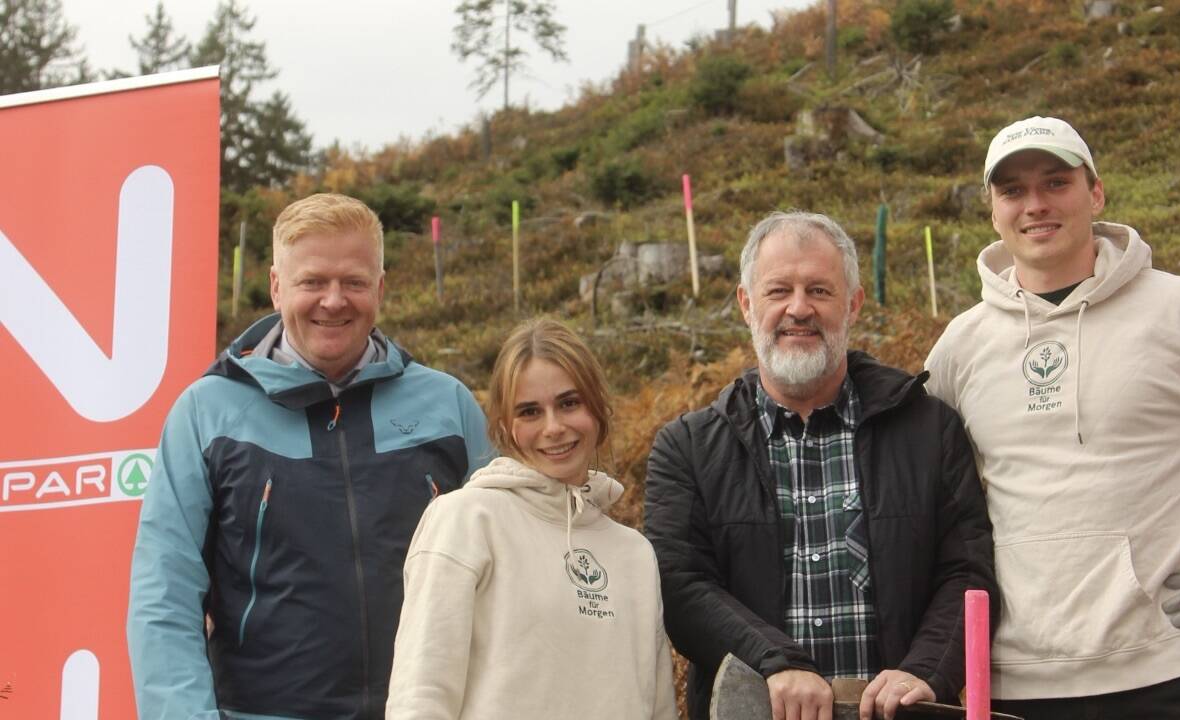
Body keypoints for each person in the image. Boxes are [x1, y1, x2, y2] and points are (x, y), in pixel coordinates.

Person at [925, 116, 1180, 719]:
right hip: (1014, 687)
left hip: (1170, 677)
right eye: (1013, 190)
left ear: (1095, 193)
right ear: (992, 210)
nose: (1035, 204)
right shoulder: (962, 345)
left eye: (1055, 182)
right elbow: (907, 496)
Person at [127, 193, 492, 719]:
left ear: (381, 288)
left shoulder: (448, 406)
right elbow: (163, 593)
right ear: (277, 286)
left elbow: (505, 569)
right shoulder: (206, 413)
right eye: (313, 281)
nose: (334, 300)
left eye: (354, 282)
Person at [644, 211, 999, 720]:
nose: (798, 308)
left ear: (852, 303)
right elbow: (680, 585)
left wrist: (924, 672)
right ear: (747, 304)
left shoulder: (929, 431)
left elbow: (967, 571)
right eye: (778, 291)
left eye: (819, 290)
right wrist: (775, 662)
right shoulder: (687, 448)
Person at [386, 318, 678, 720]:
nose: (554, 428)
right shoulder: (465, 520)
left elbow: (658, 706)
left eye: (569, 403)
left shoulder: (635, 554)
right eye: (530, 412)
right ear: (505, 426)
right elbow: (420, 696)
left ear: (597, 408)